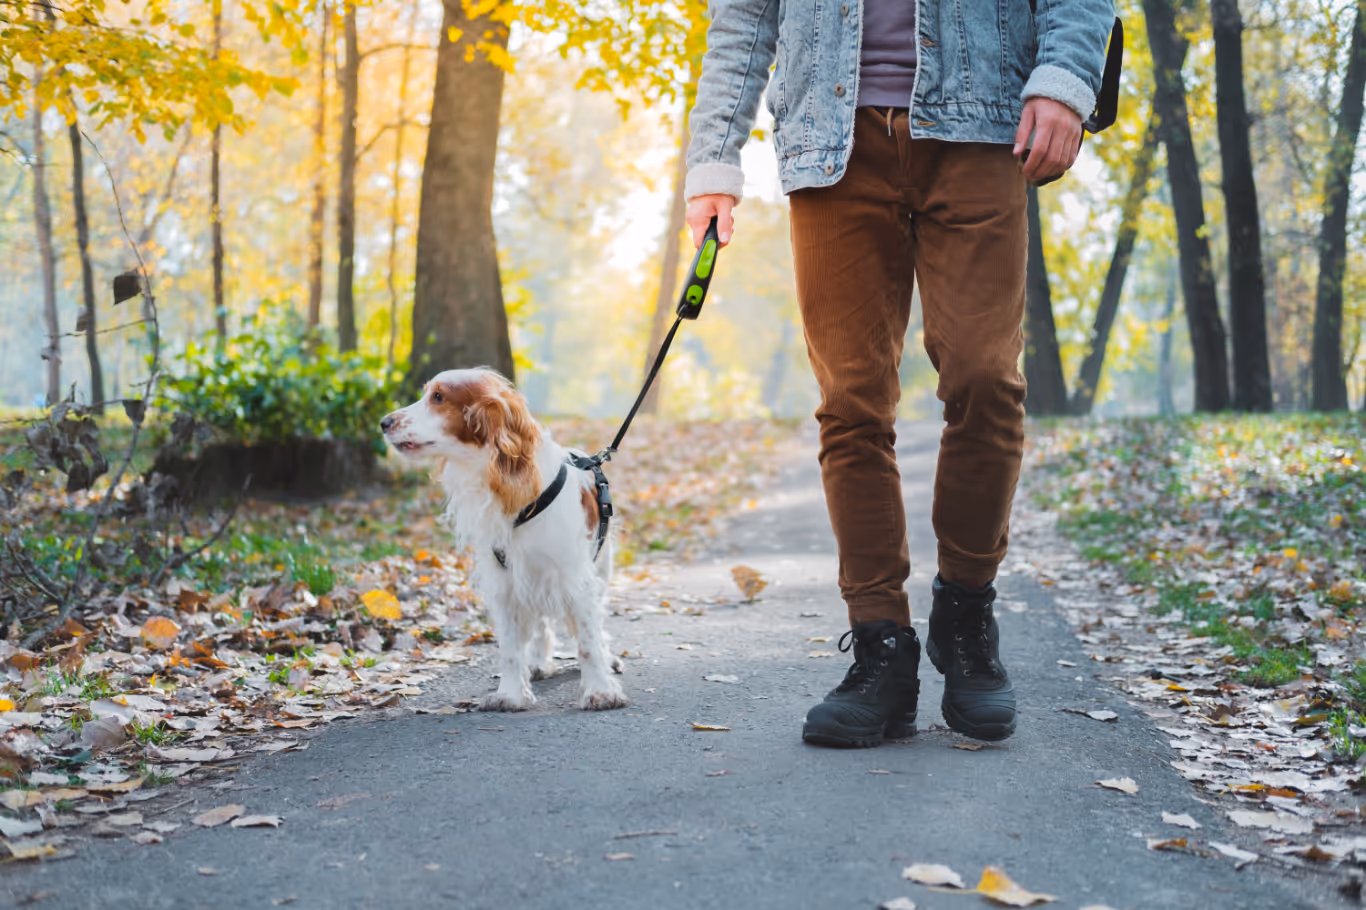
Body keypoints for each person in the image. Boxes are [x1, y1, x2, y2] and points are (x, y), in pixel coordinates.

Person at [684, 0, 1113, 747]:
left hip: (982, 126)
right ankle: (881, 647)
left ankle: (967, 611)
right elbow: (746, 16)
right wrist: (715, 160)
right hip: (830, 137)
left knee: (986, 379)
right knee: (851, 402)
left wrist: (1066, 77)